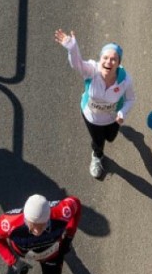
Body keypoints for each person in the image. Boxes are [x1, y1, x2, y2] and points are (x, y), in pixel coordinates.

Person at [54, 29, 136, 178]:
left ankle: (123, 138)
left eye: (113, 59)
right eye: (105, 57)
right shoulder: (91, 70)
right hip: (92, 116)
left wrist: (122, 112)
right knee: (98, 141)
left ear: (118, 63)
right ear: (100, 59)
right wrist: (72, 48)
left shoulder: (125, 80)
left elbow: (130, 99)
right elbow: (77, 64)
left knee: (110, 138)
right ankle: (97, 157)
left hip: (112, 117)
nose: (108, 62)